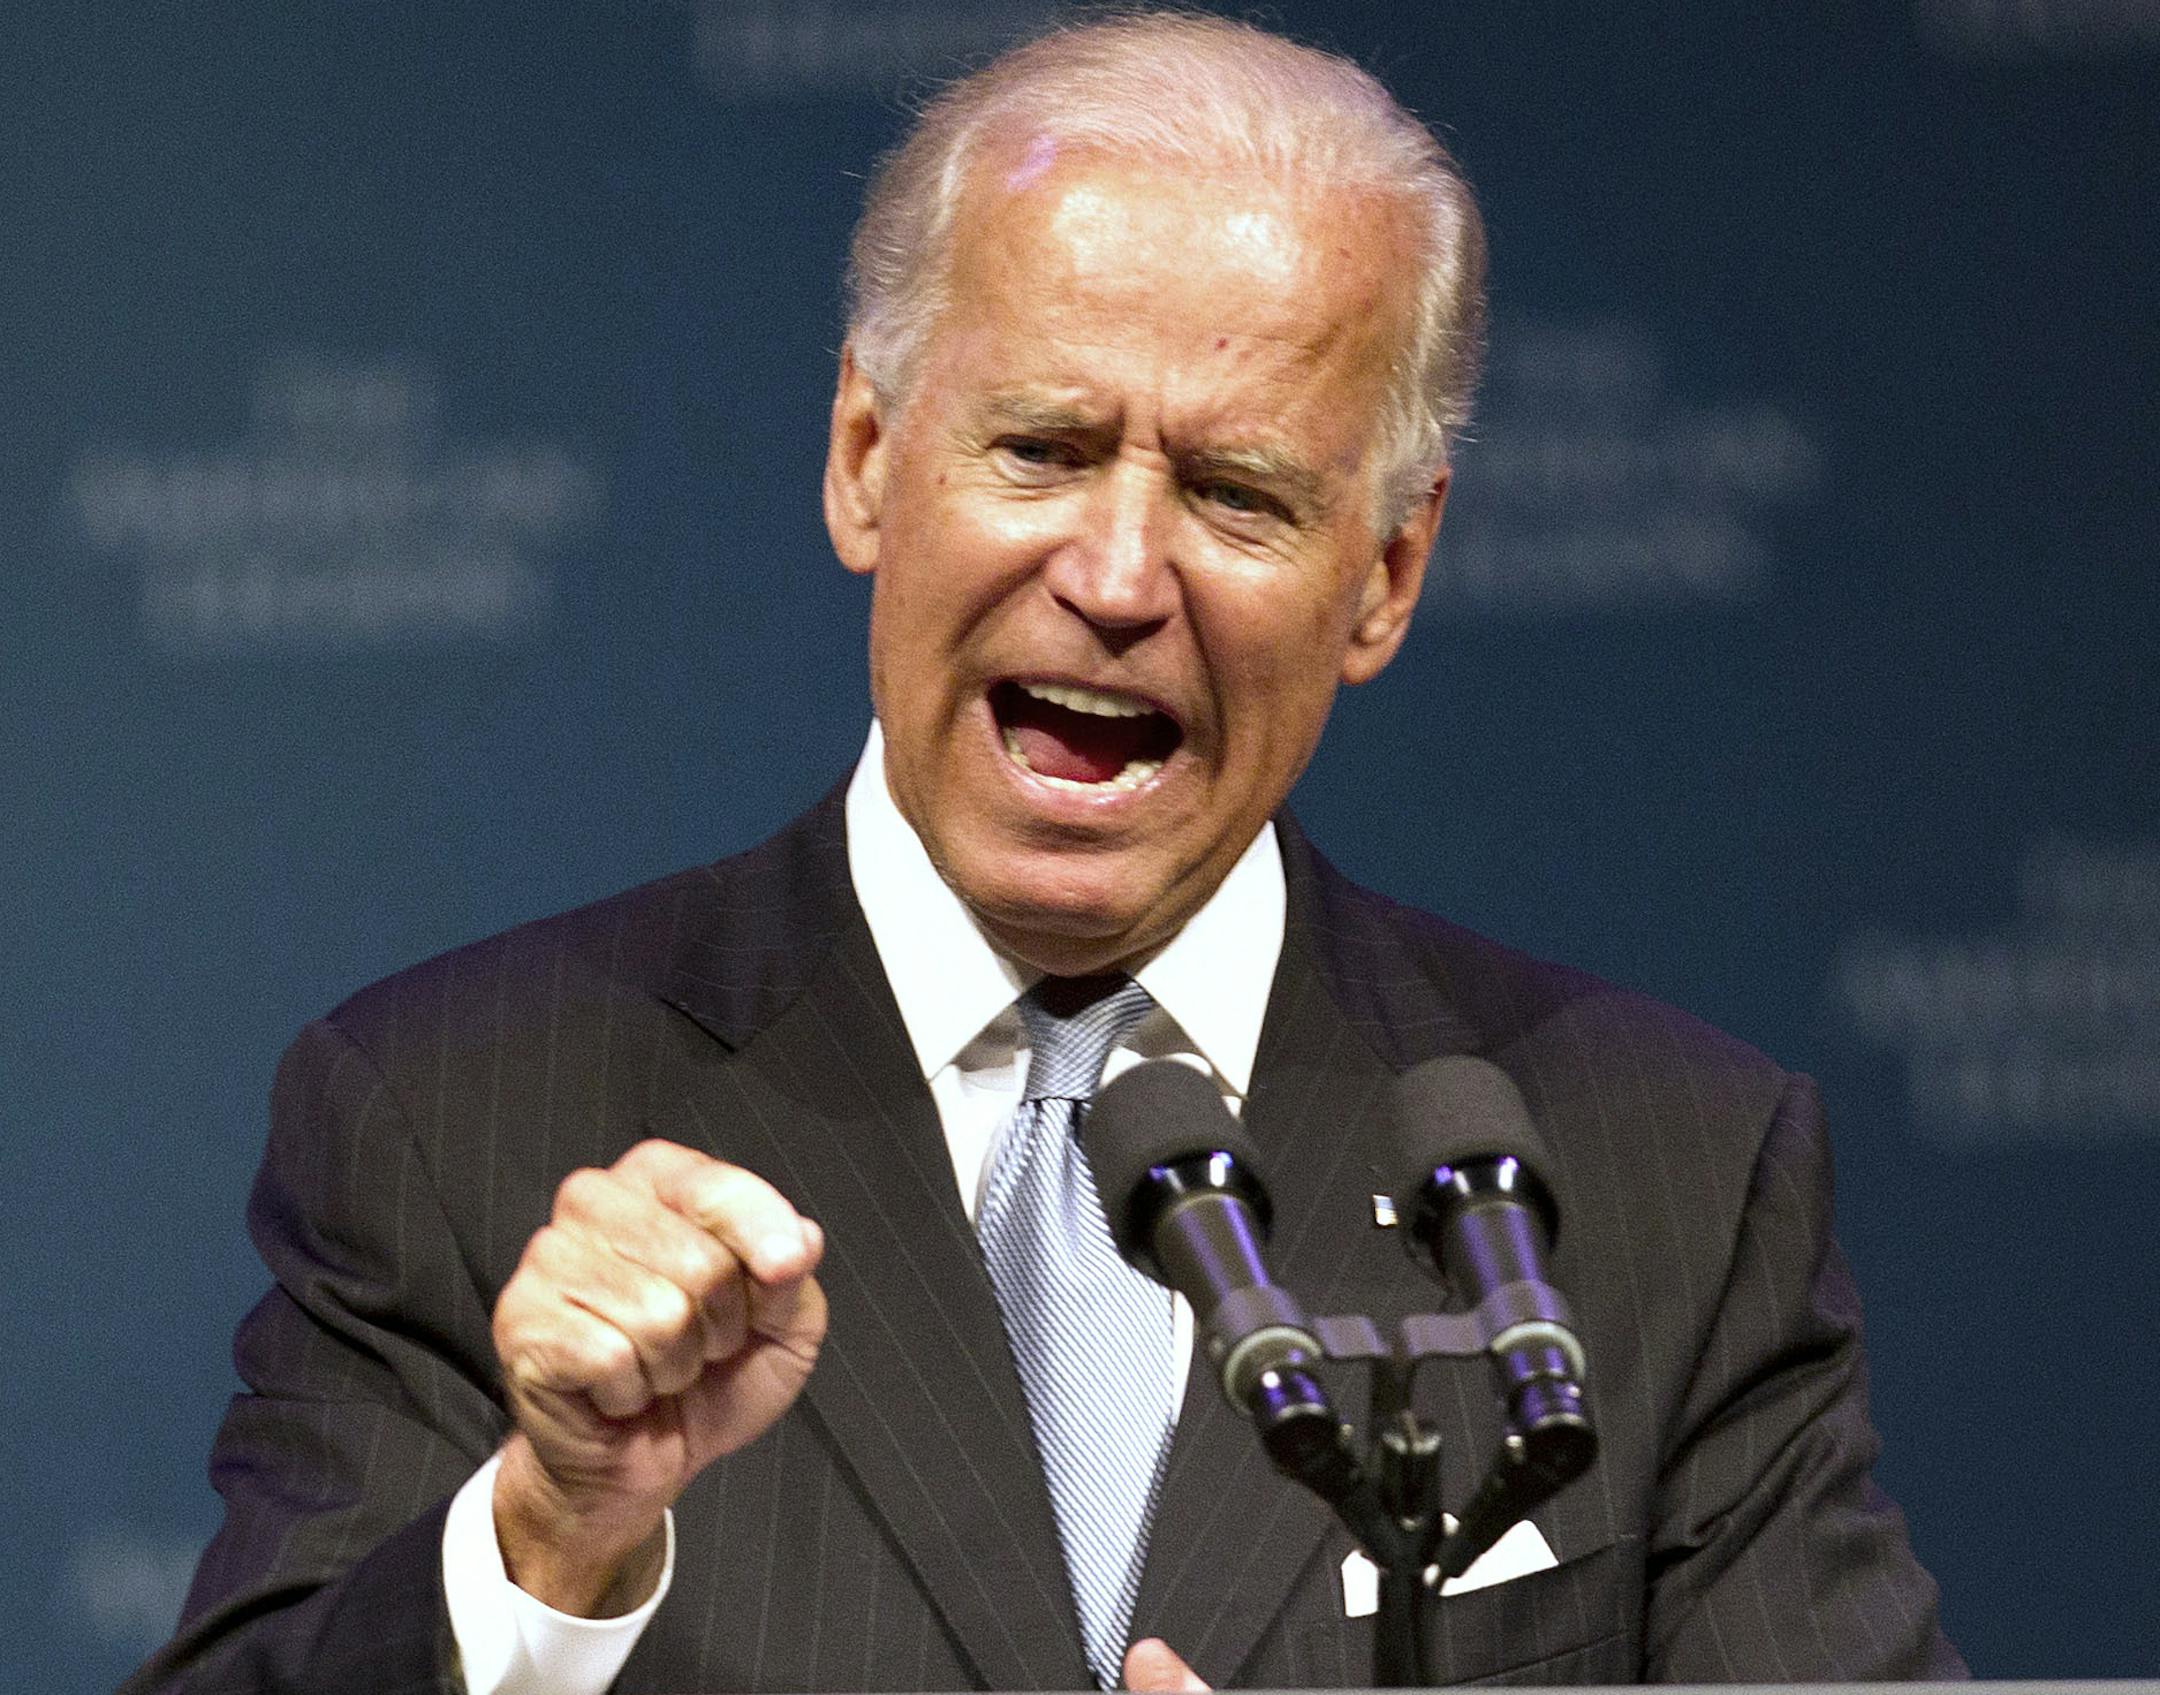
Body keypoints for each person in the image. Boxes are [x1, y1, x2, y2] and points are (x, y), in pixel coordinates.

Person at [126, 13, 1963, 1692]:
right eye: (1041, 449)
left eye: (1240, 494)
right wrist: (549, 1538)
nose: (1114, 578)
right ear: (864, 454)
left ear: (1386, 575)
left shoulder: (1662, 1175)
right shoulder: (459, 1119)